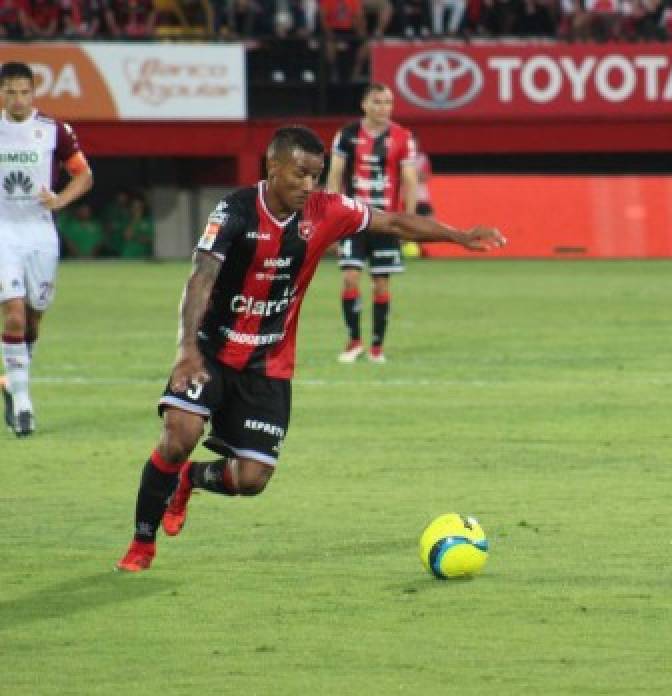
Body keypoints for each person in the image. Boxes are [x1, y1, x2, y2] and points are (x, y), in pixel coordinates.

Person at [115, 125, 504, 572]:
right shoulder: (234, 211)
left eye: (315, 176)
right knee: (178, 435)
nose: (308, 186)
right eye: (299, 174)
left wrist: (458, 235)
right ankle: (141, 544)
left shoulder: (327, 211)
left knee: (251, 480)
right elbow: (201, 276)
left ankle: (190, 479)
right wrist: (187, 349)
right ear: (272, 166)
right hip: (212, 353)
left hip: (269, 365)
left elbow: (393, 221)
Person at [0, 61, 94, 438]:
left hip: (40, 234)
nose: (18, 99)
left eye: (24, 92)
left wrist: (59, 201)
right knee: (15, 314)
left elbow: (84, 175)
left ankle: (11, 381)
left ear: (32, 93)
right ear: (2, 93)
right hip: (3, 232)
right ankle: (23, 402)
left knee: (35, 318)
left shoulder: (53, 131)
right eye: (11, 91)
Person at [326, 83, 419, 364]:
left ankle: (377, 346)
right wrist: (330, 220)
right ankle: (354, 341)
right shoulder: (347, 136)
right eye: (377, 102)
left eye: (388, 102)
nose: (383, 108)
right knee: (350, 277)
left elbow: (410, 180)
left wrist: (409, 222)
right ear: (364, 105)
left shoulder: (403, 137)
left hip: (387, 222)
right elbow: (334, 178)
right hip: (353, 220)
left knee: (381, 283)